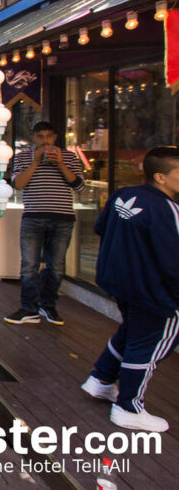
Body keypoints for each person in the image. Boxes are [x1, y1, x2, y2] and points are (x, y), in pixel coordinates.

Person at [80, 146, 179, 433]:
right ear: (160, 177)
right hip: (153, 292)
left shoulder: (122, 195)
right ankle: (128, 408)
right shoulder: (166, 210)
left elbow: (101, 227)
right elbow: (173, 261)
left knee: (132, 333)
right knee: (148, 346)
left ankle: (101, 380)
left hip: (119, 283)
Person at [4, 121, 85, 326]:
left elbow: (79, 185)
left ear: (55, 137)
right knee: (29, 265)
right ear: (34, 137)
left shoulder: (69, 157)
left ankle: (48, 305)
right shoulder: (23, 157)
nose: (45, 141)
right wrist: (35, 162)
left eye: (49, 136)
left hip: (63, 217)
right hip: (33, 216)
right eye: (41, 136)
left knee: (56, 267)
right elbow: (19, 185)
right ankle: (28, 308)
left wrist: (60, 163)